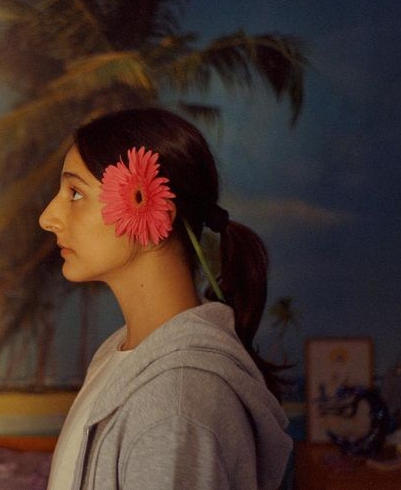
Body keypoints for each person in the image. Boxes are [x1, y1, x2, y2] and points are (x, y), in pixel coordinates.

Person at [39, 108, 292, 490]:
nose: (48, 217)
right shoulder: (120, 357)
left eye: (75, 193)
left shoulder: (175, 406)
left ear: (151, 209)